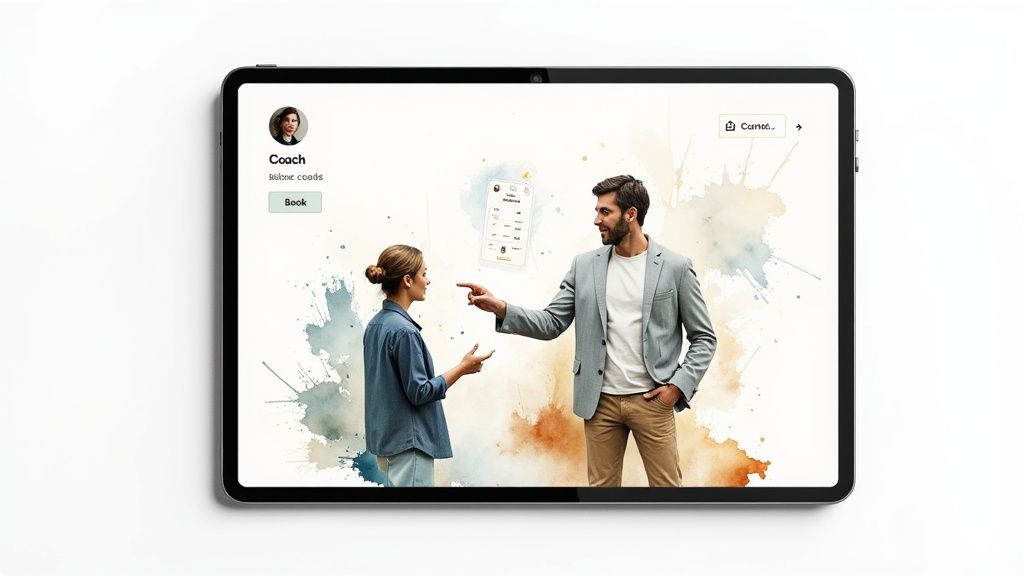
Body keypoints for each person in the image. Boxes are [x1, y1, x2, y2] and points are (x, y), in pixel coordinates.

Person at [458, 175, 716, 487]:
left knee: (667, 490)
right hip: (600, 401)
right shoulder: (584, 266)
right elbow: (552, 322)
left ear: (631, 214)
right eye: (597, 211)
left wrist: (677, 387)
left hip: (653, 400)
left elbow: (704, 337)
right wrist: (500, 307)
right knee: (602, 496)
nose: (597, 220)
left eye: (605, 212)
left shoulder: (675, 266)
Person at [363, 244, 493, 487]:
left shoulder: (376, 325)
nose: (428, 281)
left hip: (388, 442)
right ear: (408, 280)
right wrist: (463, 368)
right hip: (408, 445)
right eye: (424, 274)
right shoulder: (404, 332)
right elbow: (419, 392)